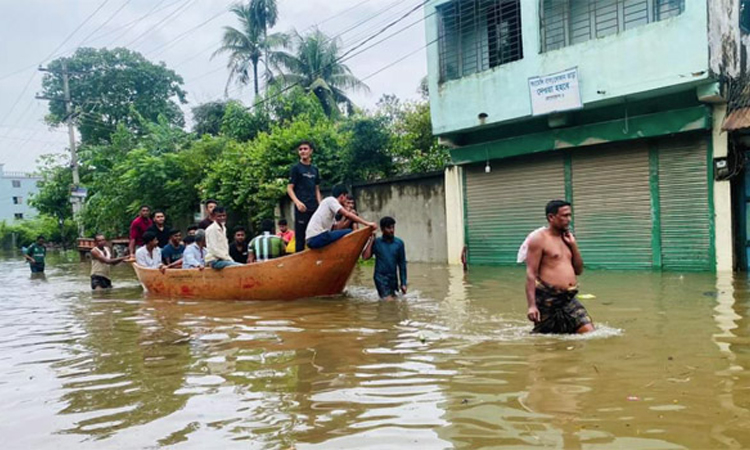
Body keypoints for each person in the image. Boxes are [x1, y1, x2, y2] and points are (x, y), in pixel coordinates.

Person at [525, 200, 594, 334]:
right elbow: (531, 274)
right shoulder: (539, 239)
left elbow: (579, 270)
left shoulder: (567, 238)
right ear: (551, 217)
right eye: (565, 216)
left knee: (590, 334)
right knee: (546, 341)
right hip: (548, 300)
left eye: (570, 215)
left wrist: (573, 245)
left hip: (568, 298)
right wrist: (532, 306)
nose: (569, 219)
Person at [306, 185, 376, 249]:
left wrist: (347, 218)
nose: (346, 200)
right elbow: (347, 214)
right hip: (317, 237)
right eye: (346, 197)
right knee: (350, 232)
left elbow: (337, 228)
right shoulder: (331, 200)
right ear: (342, 196)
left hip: (312, 239)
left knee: (346, 232)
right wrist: (367, 223)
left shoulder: (330, 211)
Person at [287, 140, 322, 252]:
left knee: (316, 236)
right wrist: (297, 202)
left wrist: (320, 204)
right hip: (302, 209)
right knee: (300, 239)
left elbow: (316, 188)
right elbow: (289, 188)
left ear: (311, 151)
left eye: (305, 149)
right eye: (300, 149)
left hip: (314, 208)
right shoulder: (296, 168)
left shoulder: (315, 170)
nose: (302, 151)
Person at [362, 217, 407, 301]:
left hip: (393, 278)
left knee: (394, 302)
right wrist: (371, 240)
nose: (392, 230)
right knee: (388, 301)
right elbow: (365, 257)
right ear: (382, 229)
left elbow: (402, 265)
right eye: (389, 228)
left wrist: (403, 283)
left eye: (393, 227)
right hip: (380, 278)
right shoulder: (377, 242)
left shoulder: (399, 244)